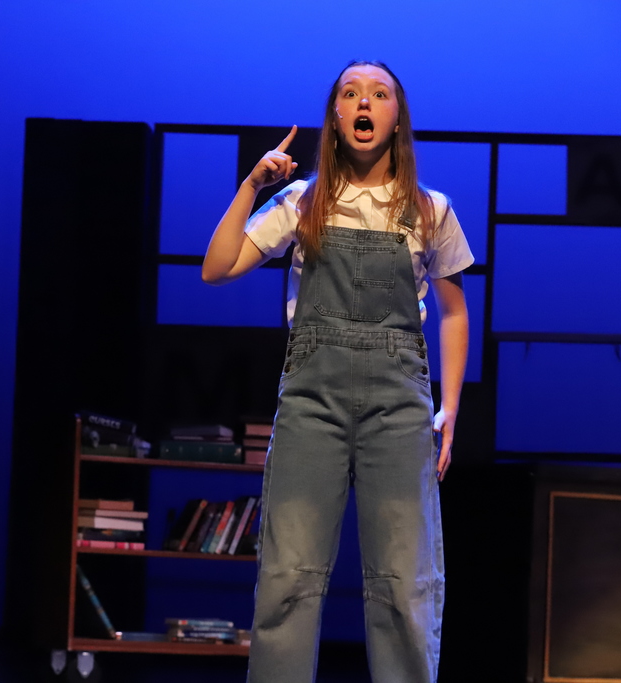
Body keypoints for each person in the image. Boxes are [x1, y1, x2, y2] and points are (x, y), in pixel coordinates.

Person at [202, 61, 472, 682]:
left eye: (379, 94)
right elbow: (216, 268)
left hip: (399, 407)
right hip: (312, 405)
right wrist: (252, 184)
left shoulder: (430, 210)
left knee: (405, 584)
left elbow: (455, 314)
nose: (365, 103)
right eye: (350, 93)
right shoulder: (303, 202)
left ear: (396, 117)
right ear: (336, 116)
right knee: (288, 579)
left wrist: (449, 406)